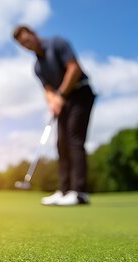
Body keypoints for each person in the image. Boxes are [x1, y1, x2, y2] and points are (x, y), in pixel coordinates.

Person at [13, 25, 95, 206]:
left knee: (74, 139)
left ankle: (79, 192)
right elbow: (48, 89)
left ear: (33, 34)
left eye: (27, 40)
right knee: (61, 143)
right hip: (63, 100)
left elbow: (74, 68)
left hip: (80, 93)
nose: (26, 45)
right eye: (22, 44)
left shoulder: (56, 43)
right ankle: (64, 190)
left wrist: (61, 96)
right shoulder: (37, 66)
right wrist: (52, 102)